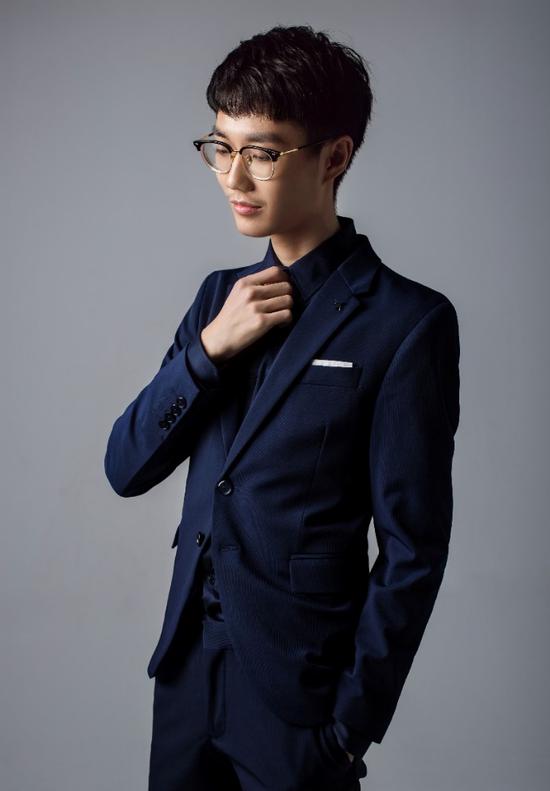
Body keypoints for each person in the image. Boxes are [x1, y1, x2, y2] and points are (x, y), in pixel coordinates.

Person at [104, 24, 460, 790]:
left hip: (300, 698)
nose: (233, 176)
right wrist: (207, 352)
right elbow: (125, 466)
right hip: (188, 679)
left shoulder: (407, 323)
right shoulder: (216, 299)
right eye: (220, 147)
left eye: (262, 153)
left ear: (335, 157)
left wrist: (348, 726)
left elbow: (414, 547)